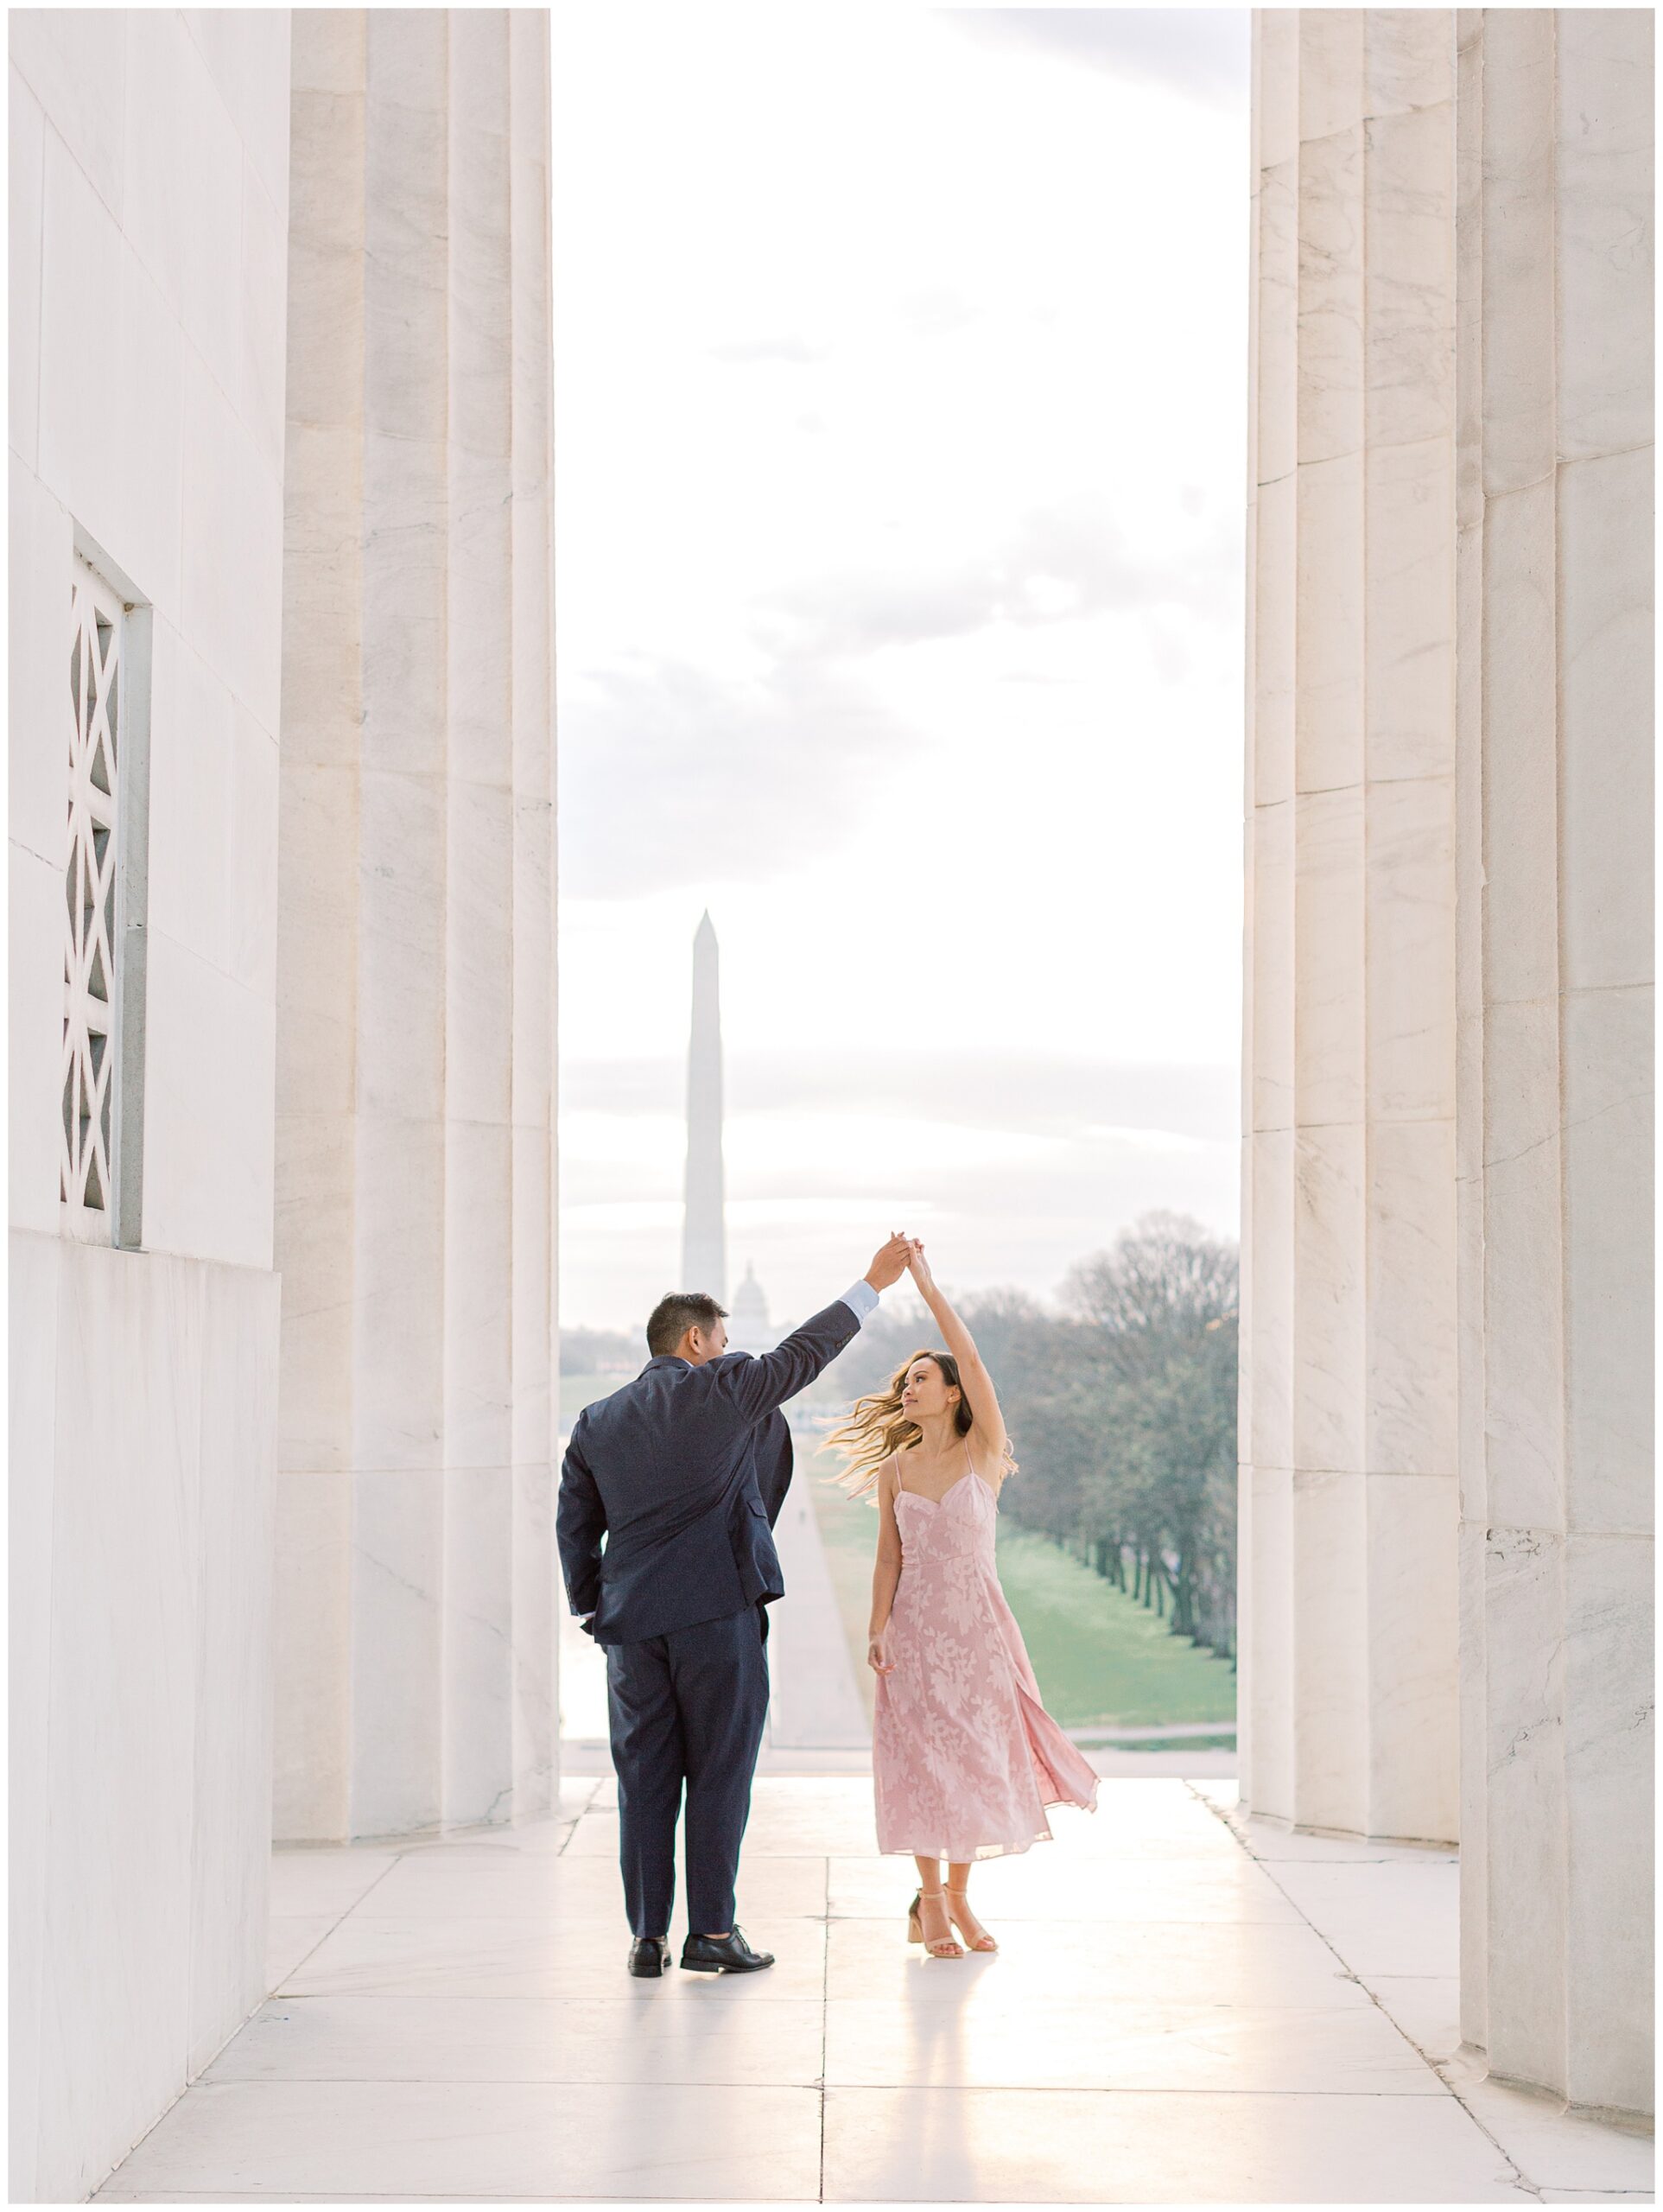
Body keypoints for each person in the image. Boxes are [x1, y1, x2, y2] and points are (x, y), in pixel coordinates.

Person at [556, 1231, 914, 1978]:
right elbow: (804, 1352)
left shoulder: (597, 1420)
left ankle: (648, 1938)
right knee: (719, 1772)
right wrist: (870, 1284)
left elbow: (575, 1525)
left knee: (644, 1782)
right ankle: (712, 1933)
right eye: (719, 1340)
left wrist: (594, 1607)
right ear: (695, 1339)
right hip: (716, 1618)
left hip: (631, 1628)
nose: (727, 1351)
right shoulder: (725, 1388)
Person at [826, 1240, 1099, 1959]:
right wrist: (877, 1627)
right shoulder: (895, 1468)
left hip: (979, 1634)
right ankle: (936, 1908)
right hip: (914, 1635)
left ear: (952, 1394)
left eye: (922, 1378)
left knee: (971, 1767)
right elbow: (889, 1555)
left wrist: (924, 1284)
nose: (908, 1387)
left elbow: (972, 1359)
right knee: (923, 1767)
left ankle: (954, 1902)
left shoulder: (984, 1453)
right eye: (905, 1380)